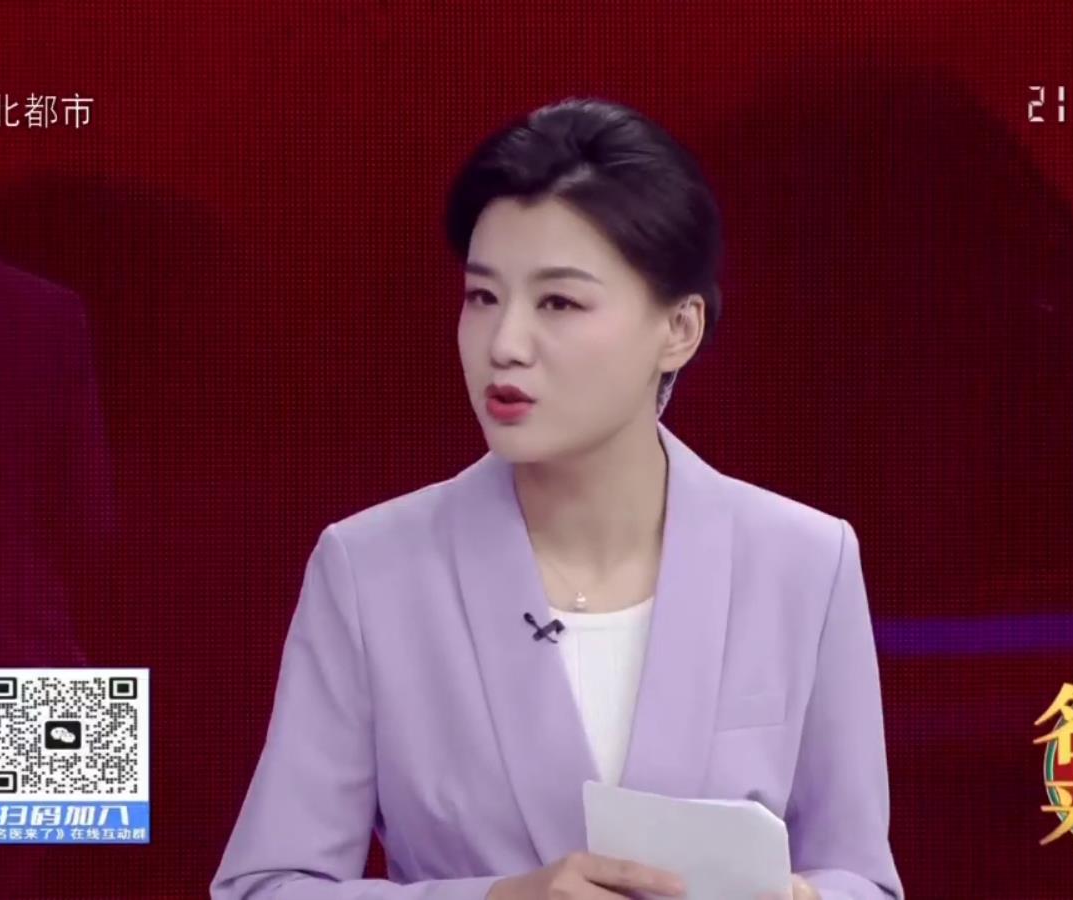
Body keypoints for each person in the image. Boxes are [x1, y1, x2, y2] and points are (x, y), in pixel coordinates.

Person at [212, 97, 904, 900]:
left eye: (559, 303)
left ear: (679, 328)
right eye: (482, 297)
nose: (504, 345)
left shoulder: (805, 561)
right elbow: (264, 888)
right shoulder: (371, 570)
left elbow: (863, 879)